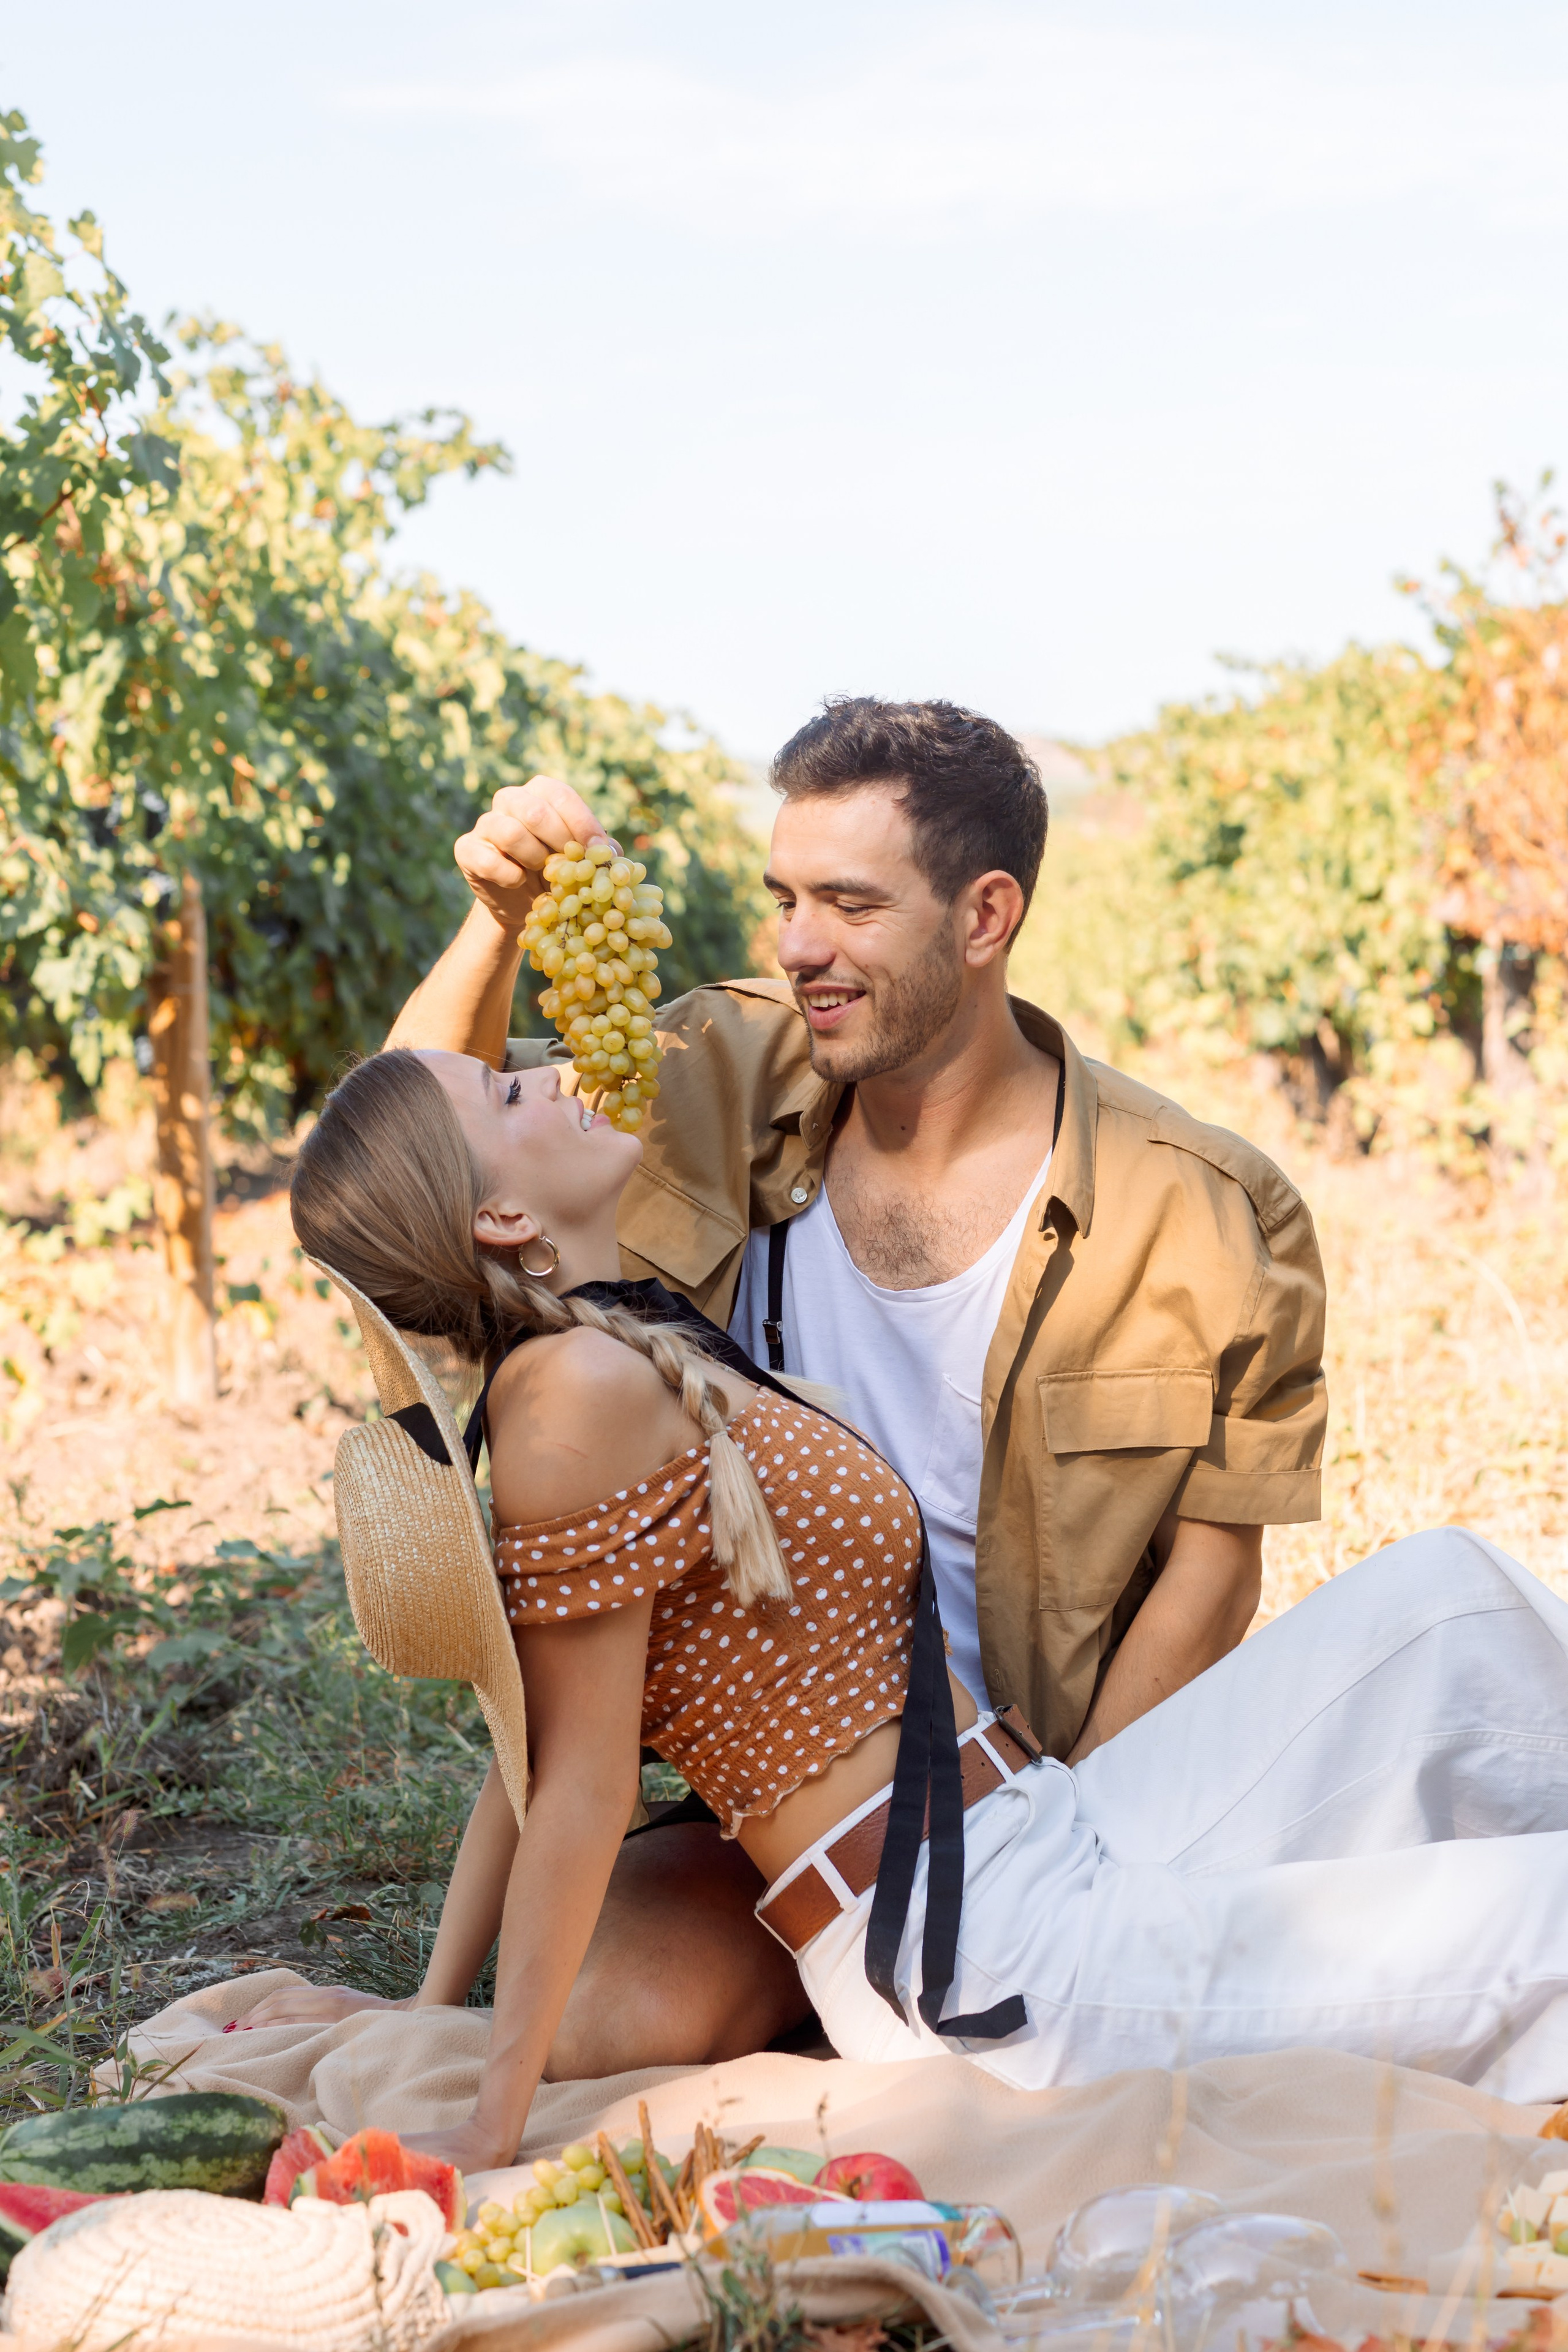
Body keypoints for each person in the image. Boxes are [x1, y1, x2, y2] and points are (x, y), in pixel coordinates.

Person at [249, 1042, 1568, 2169]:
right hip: (982, 1949)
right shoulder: (564, 1400)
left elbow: (516, 1755)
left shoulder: (630, 1343)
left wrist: (427, 2004)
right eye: (508, 1097)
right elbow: (573, 1786)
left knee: (1451, 1604)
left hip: (1051, 1824)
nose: (549, 1074)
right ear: (492, 1217)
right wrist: (492, 2112)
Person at [379, 697, 1328, 2069]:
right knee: (602, 2033)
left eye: (847, 903)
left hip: (1047, 1792)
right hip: (780, 1797)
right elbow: (420, 1158)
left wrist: (1088, 1859)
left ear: (983, 915)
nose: (795, 945)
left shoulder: (1206, 1210)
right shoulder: (705, 1076)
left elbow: (1211, 1575)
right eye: (782, 898)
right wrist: (494, 926)